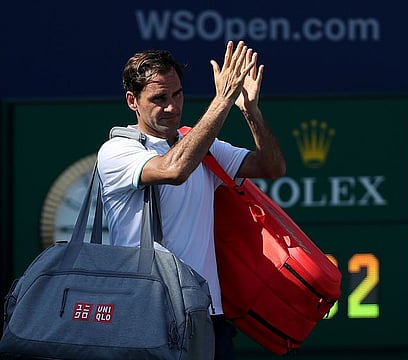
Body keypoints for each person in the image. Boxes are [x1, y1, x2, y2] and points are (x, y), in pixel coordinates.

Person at [97, 40, 286, 359]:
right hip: (146, 314)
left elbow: (271, 167)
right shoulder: (117, 151)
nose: (171, 106)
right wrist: (223, 99)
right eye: (158, 98)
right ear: (133, 101)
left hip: (207, 314)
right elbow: (175, 169)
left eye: (177, 94)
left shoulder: (204, 148)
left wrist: (250, 111)